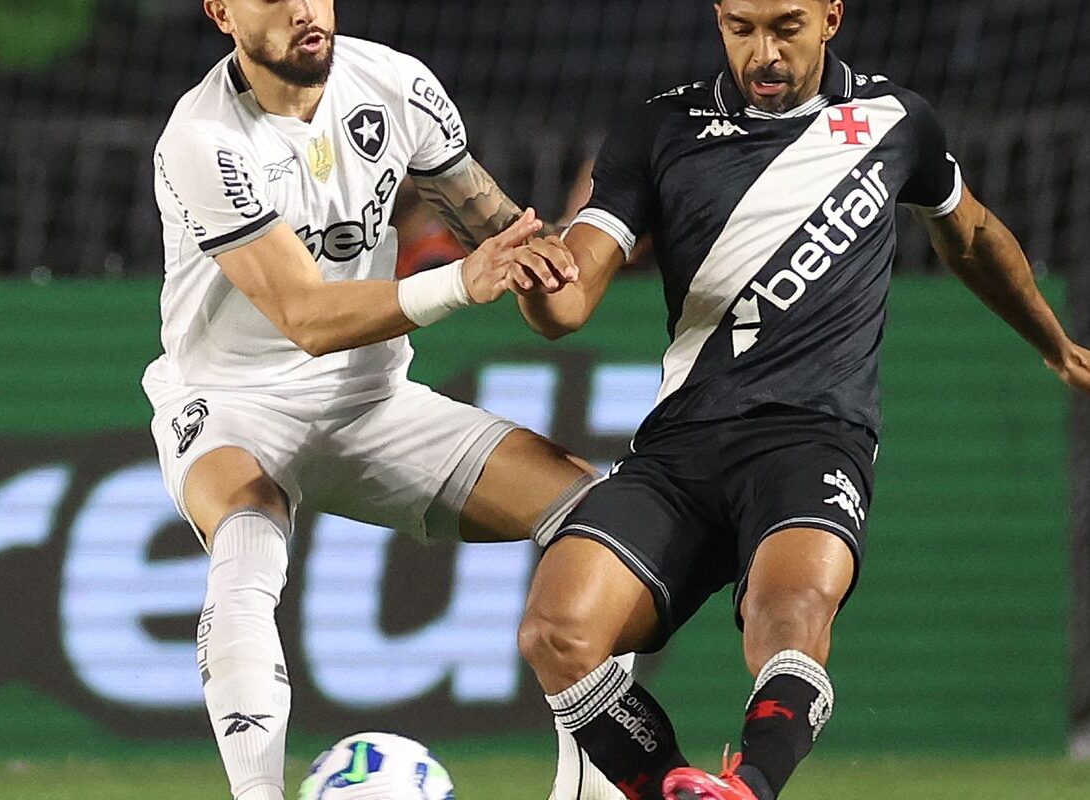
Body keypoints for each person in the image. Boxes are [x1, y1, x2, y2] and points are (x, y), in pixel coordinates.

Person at [506, 2, 1090, 799]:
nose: (763, 52)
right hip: (680, 449)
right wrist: (544, 284)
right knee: (556, 631)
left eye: (786, 26)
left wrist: (1052, 342)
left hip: (813, 439)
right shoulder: (659, 128)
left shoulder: (894, 121)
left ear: (831, 16)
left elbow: (974, 235)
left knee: (786, 616)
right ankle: (671, 787)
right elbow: (569, 304)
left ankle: (749, 787)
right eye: (741, 27)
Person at [142, 2, 628, 799]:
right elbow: (304, 317)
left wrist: (557, 266)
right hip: (233, 403)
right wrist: (462, 284)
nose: (306, 10)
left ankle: (590, 791)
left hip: (372, 400)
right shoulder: (203, 138)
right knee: (245, 541)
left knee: (607, 522)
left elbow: (501, 230)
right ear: (222, 12)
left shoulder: (395, 86)